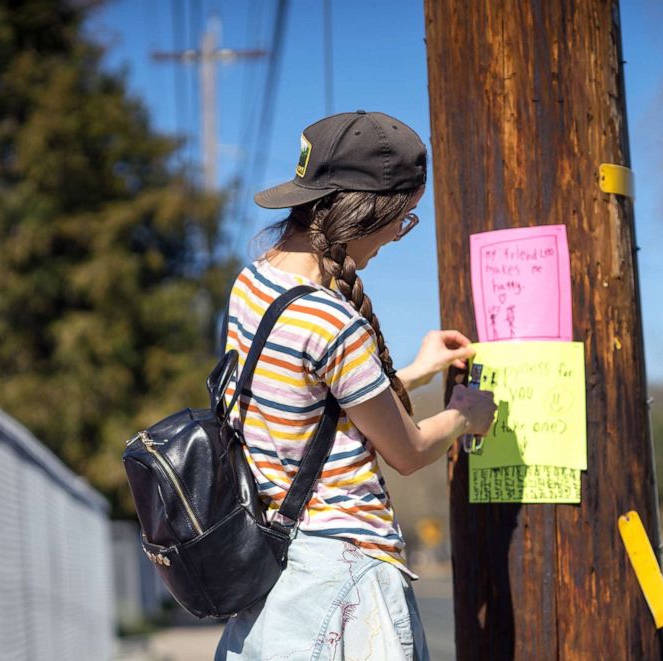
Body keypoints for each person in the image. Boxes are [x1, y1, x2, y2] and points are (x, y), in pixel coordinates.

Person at [213, 110, 497, 661]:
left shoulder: (253, 282)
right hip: (344, 584)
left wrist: (413, 371)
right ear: (368, 212)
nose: (397, 237)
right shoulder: (331, 321)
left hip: (272, 576)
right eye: (404, 220)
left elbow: (304, 397)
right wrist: (465, 414)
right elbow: (409, 451)